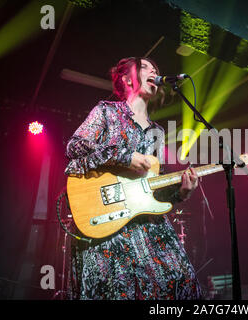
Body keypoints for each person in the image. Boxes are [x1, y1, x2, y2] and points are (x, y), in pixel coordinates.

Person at [64, 57, 202, 300]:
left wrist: (180, 192)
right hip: (108, 219)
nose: (154, 71)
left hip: (145, 221)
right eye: (146, 67)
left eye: (156, 69)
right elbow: (75, 148)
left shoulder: (157, 132)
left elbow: (154, 189)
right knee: (117, 288)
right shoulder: (106, 112)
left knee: (183, 279)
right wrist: (125, 156)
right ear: (127, 79)